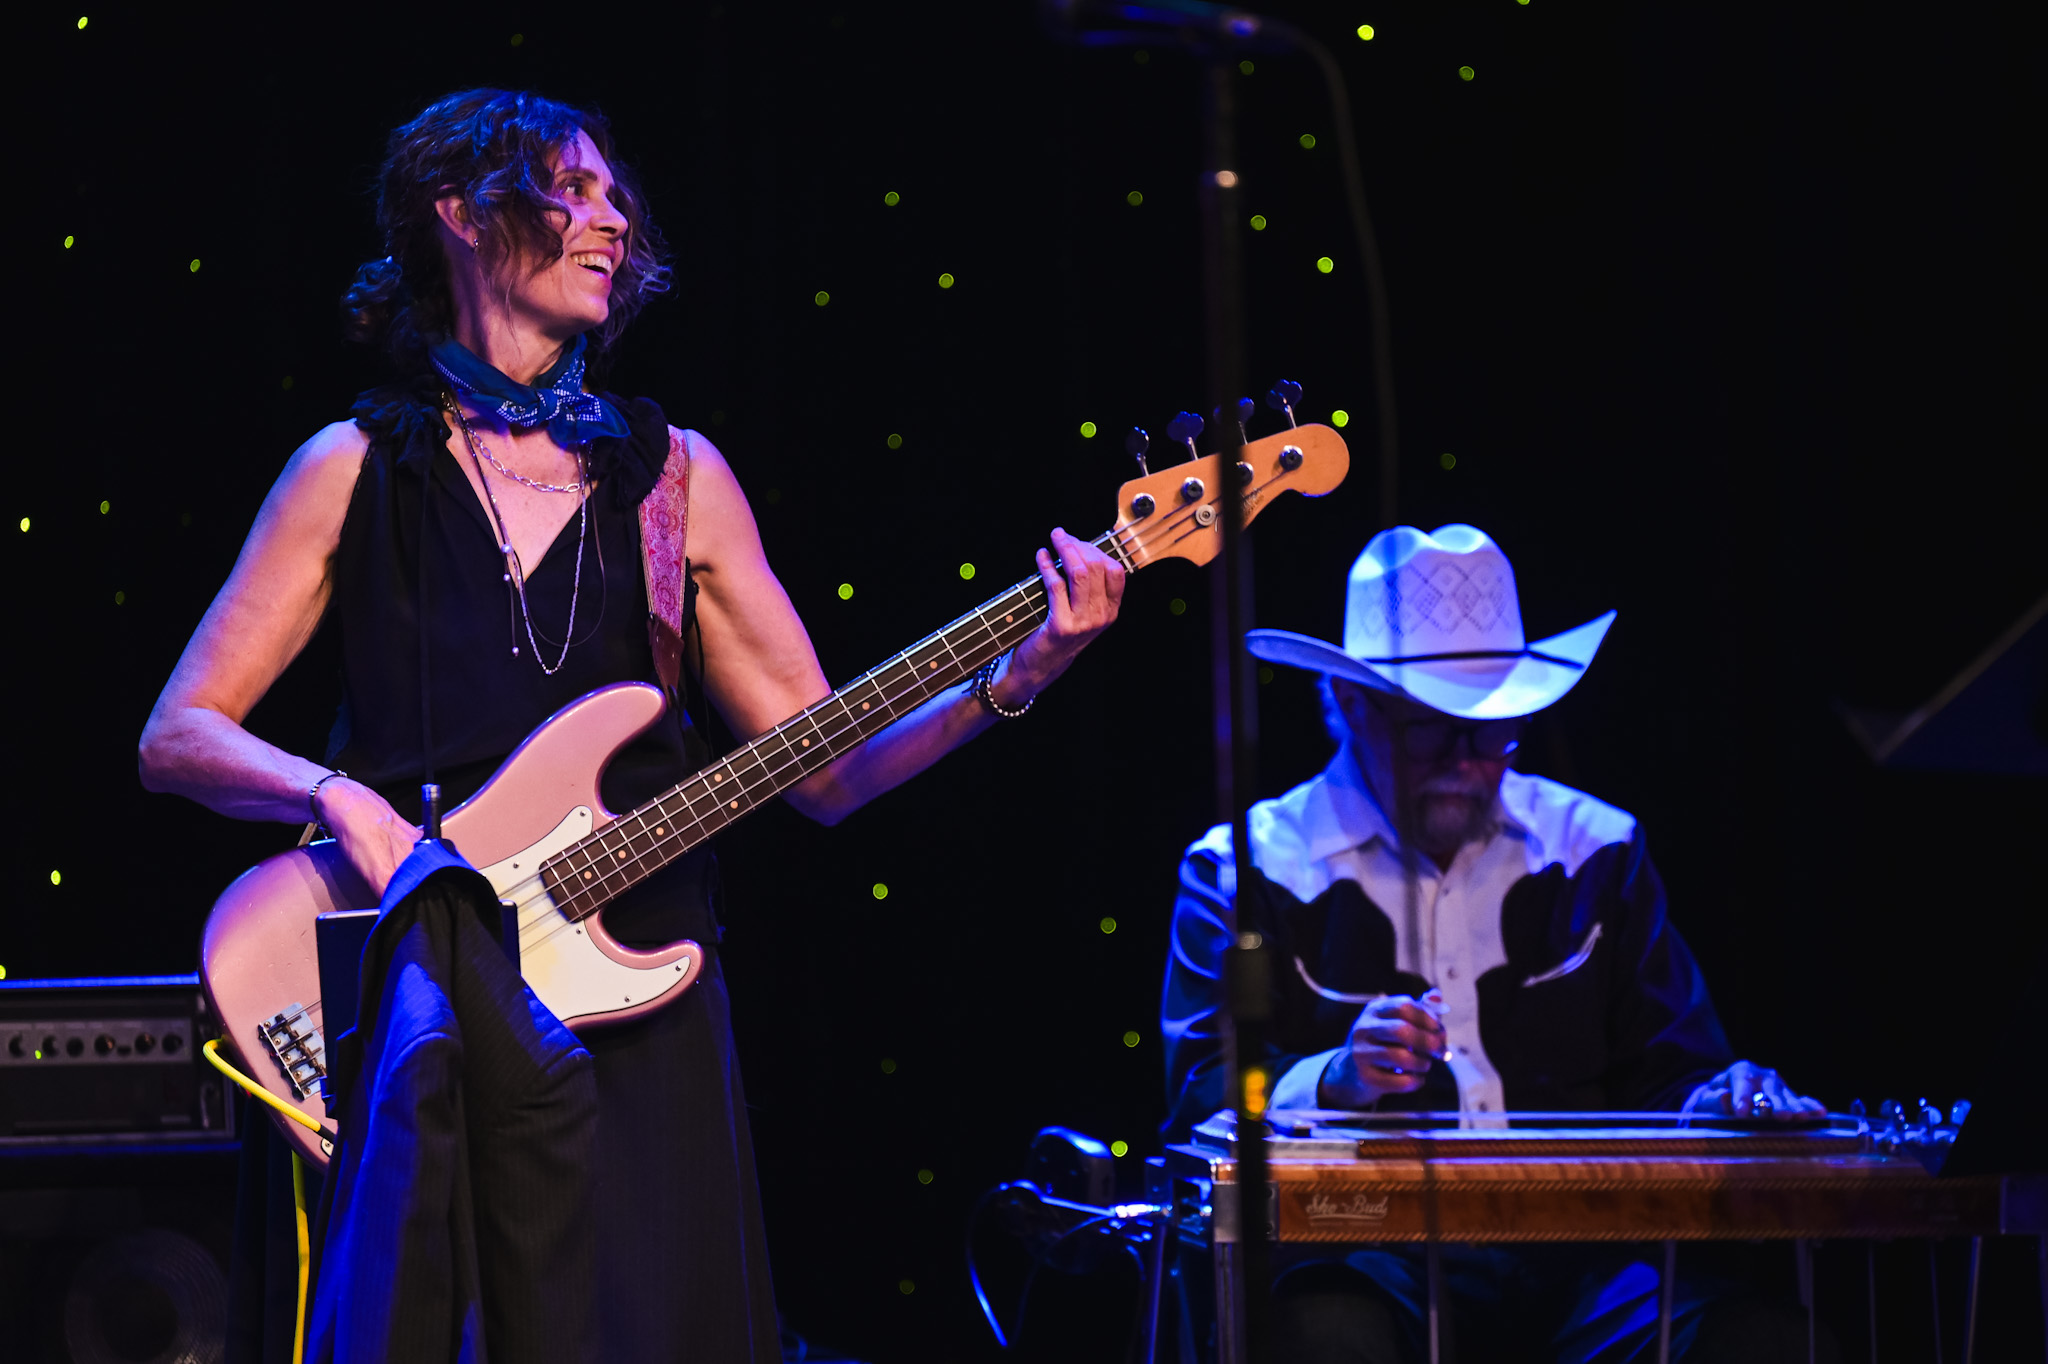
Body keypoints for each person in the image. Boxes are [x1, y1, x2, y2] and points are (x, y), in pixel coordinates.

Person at [137, 88, 1124, 1361]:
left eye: (616, 196)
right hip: (419, 982)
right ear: (461, 212)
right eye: (574, 189)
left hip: (640, 997)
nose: (614, 219)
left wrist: (1020, 672)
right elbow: (180, 732)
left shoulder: (674, 478)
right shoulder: (352, 467)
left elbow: (823, 769)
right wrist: (339, 798)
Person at [1160, 524, 1828, 1362]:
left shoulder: (1596, 848)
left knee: (1766, 1343)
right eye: (1434, 731)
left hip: (1585, 1258)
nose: (1469, 763)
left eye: (1493, 731)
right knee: (1324, 1336)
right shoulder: (1245, 868)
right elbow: (1201, 1097)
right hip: (1369, 1256)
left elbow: (1672, 1072)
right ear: (1351, 706)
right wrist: (1337, 1077)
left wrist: (1721, 1099)